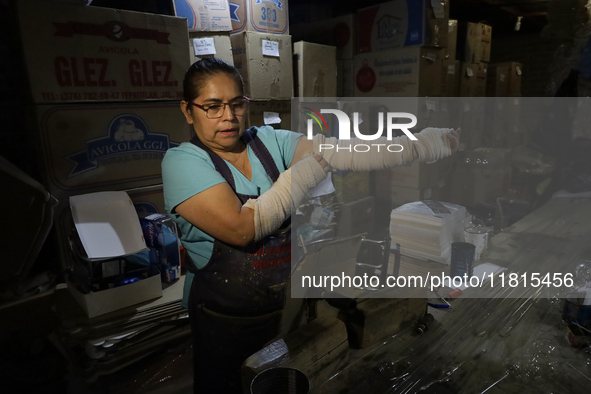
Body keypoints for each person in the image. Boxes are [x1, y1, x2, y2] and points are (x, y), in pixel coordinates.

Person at [162, 58, 461, 393]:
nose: (228, 117)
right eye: (213, 107)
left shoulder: (268, 141)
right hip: (223, 318)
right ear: (188, 111)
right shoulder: (183, 162)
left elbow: (346, 153)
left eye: (236, 104)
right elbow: (242, 228)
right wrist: (300, 178)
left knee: (281, 380)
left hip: (281, 304)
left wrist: (420, 145)